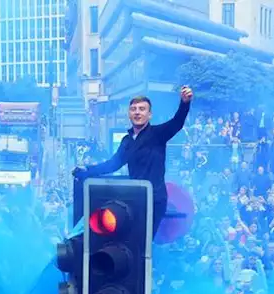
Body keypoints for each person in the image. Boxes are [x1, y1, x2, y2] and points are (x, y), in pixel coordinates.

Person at [74, 86, 194, 235]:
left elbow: (177, 122)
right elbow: (113, 164)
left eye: (142, 109)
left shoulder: (158, 134)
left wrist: (185, 103)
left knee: (144, 243)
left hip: (155, 199)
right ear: (129, 114)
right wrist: (87, 171)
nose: (137, 112)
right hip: (135, 198)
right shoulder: (127, 141)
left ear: (149, 114)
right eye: (134, 109)